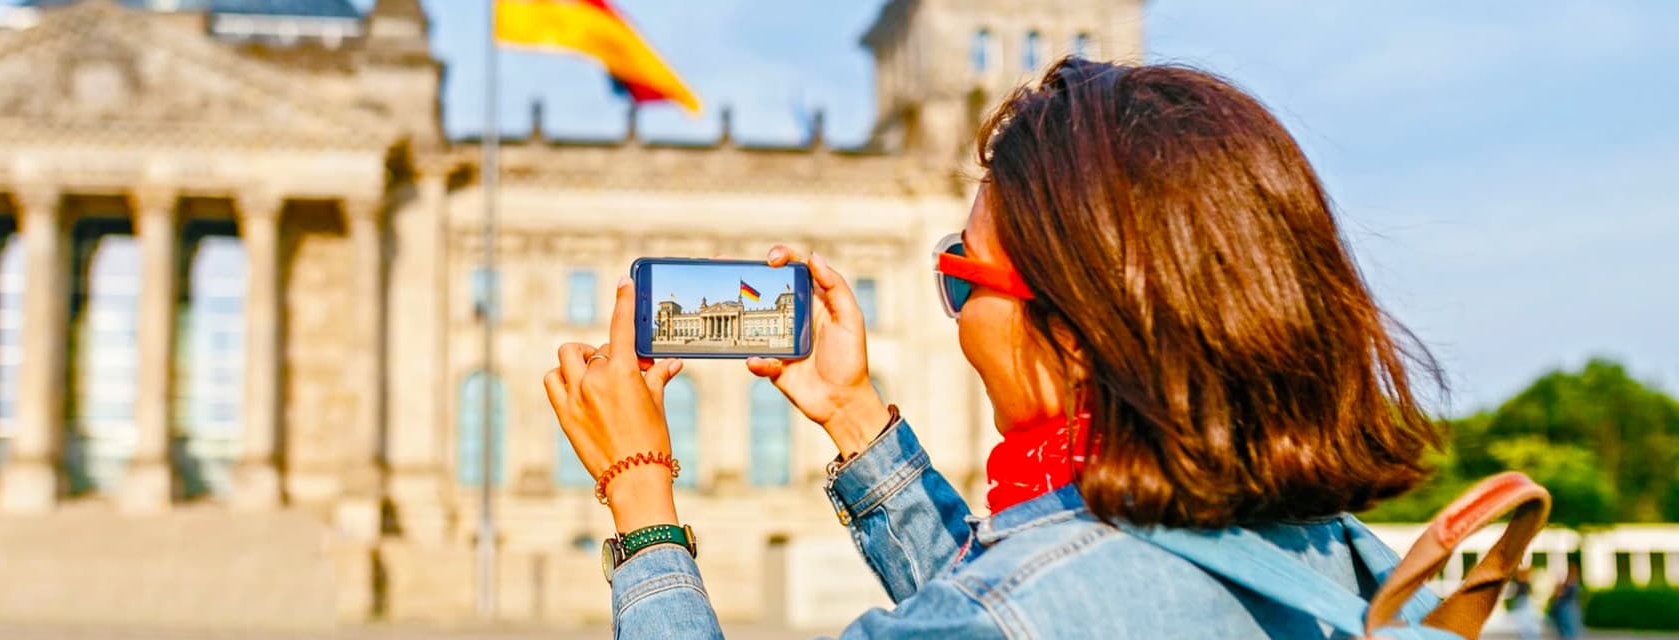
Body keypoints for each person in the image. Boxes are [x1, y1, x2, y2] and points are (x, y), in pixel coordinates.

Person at [543, 57, 1445, 639]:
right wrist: (856, 418)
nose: (955, 312)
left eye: (961, 274)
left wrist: (640, 492)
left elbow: (1010, 612)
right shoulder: (1338, 556)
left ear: (1079, 328)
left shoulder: (1014, 606)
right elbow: (1046, 597)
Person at [1549, 564, 1585, 639]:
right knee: (1569, 629)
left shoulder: (1571, 583)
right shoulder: (1572, 582)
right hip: (1568, 608)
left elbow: (1561, 594)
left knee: (1568, 629)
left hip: (1567, 608)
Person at [1506, 566, 1540, 640]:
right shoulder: (1522, 582)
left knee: (1525, 622)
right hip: (1523, 602)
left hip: (1523, 602)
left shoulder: (1522, 582)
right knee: (1525, 622)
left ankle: (1529, 637)